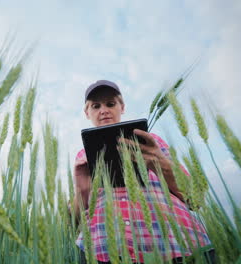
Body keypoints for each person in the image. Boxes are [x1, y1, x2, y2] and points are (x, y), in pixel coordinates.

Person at [71, 80, 213, 264]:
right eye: (95, 106)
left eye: (110, 104)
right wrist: (82, 191)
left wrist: (157, 161)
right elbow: (73, 224)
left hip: (178, 247)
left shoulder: (152, 141)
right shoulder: (83, 156)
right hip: (102, 252)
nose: (103, 110)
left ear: (122, 107)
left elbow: (196, 198)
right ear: (87, 113)